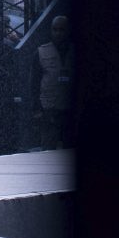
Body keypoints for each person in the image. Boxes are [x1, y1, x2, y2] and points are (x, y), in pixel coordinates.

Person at [36, 13, 73, 149]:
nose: (58, 33)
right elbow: (34, 83)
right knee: (48, 148)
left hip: (69, 109)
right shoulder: (41, 52)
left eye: (61, 30)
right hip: (50, 109)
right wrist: (36, 108)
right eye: (55, 30)